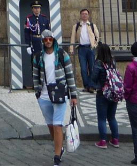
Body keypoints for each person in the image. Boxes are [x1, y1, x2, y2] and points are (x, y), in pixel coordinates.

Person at [31, 29, 78, 166]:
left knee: (57, 125)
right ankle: (59, 147)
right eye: (45, 39)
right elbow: (35, 76)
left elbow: (70, 75)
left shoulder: (62, 54)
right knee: (51, 125)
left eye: (50, 39)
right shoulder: (38, 57)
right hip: (44, 95)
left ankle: (57, 156)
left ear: (53, 40)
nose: (48, 41)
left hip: (60, 93)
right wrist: (37, 93)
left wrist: (73, 95)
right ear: (42, 41)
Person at [89, 42, 120, 149]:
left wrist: (93, 86)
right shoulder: (113, 61)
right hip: (113, 92)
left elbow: (93, 77)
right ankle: (115, 139)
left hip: (102, 93)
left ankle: (103, 141)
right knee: (112, 117)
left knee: (102, 118)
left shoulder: (98, 63)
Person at [70, 8, 100, 94]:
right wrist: (71, 48)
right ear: (80, 15)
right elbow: (72, 38)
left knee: (92, 67)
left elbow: (97, 36)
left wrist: (94, 45)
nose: (84, 15)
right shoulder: (76, 26)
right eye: (83, 14)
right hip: (81, 48)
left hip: (90, 48)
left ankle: (92, 86)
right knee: (83, 69)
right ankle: (86, 86)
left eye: (86, 14)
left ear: (88, 15)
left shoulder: (92, 25)